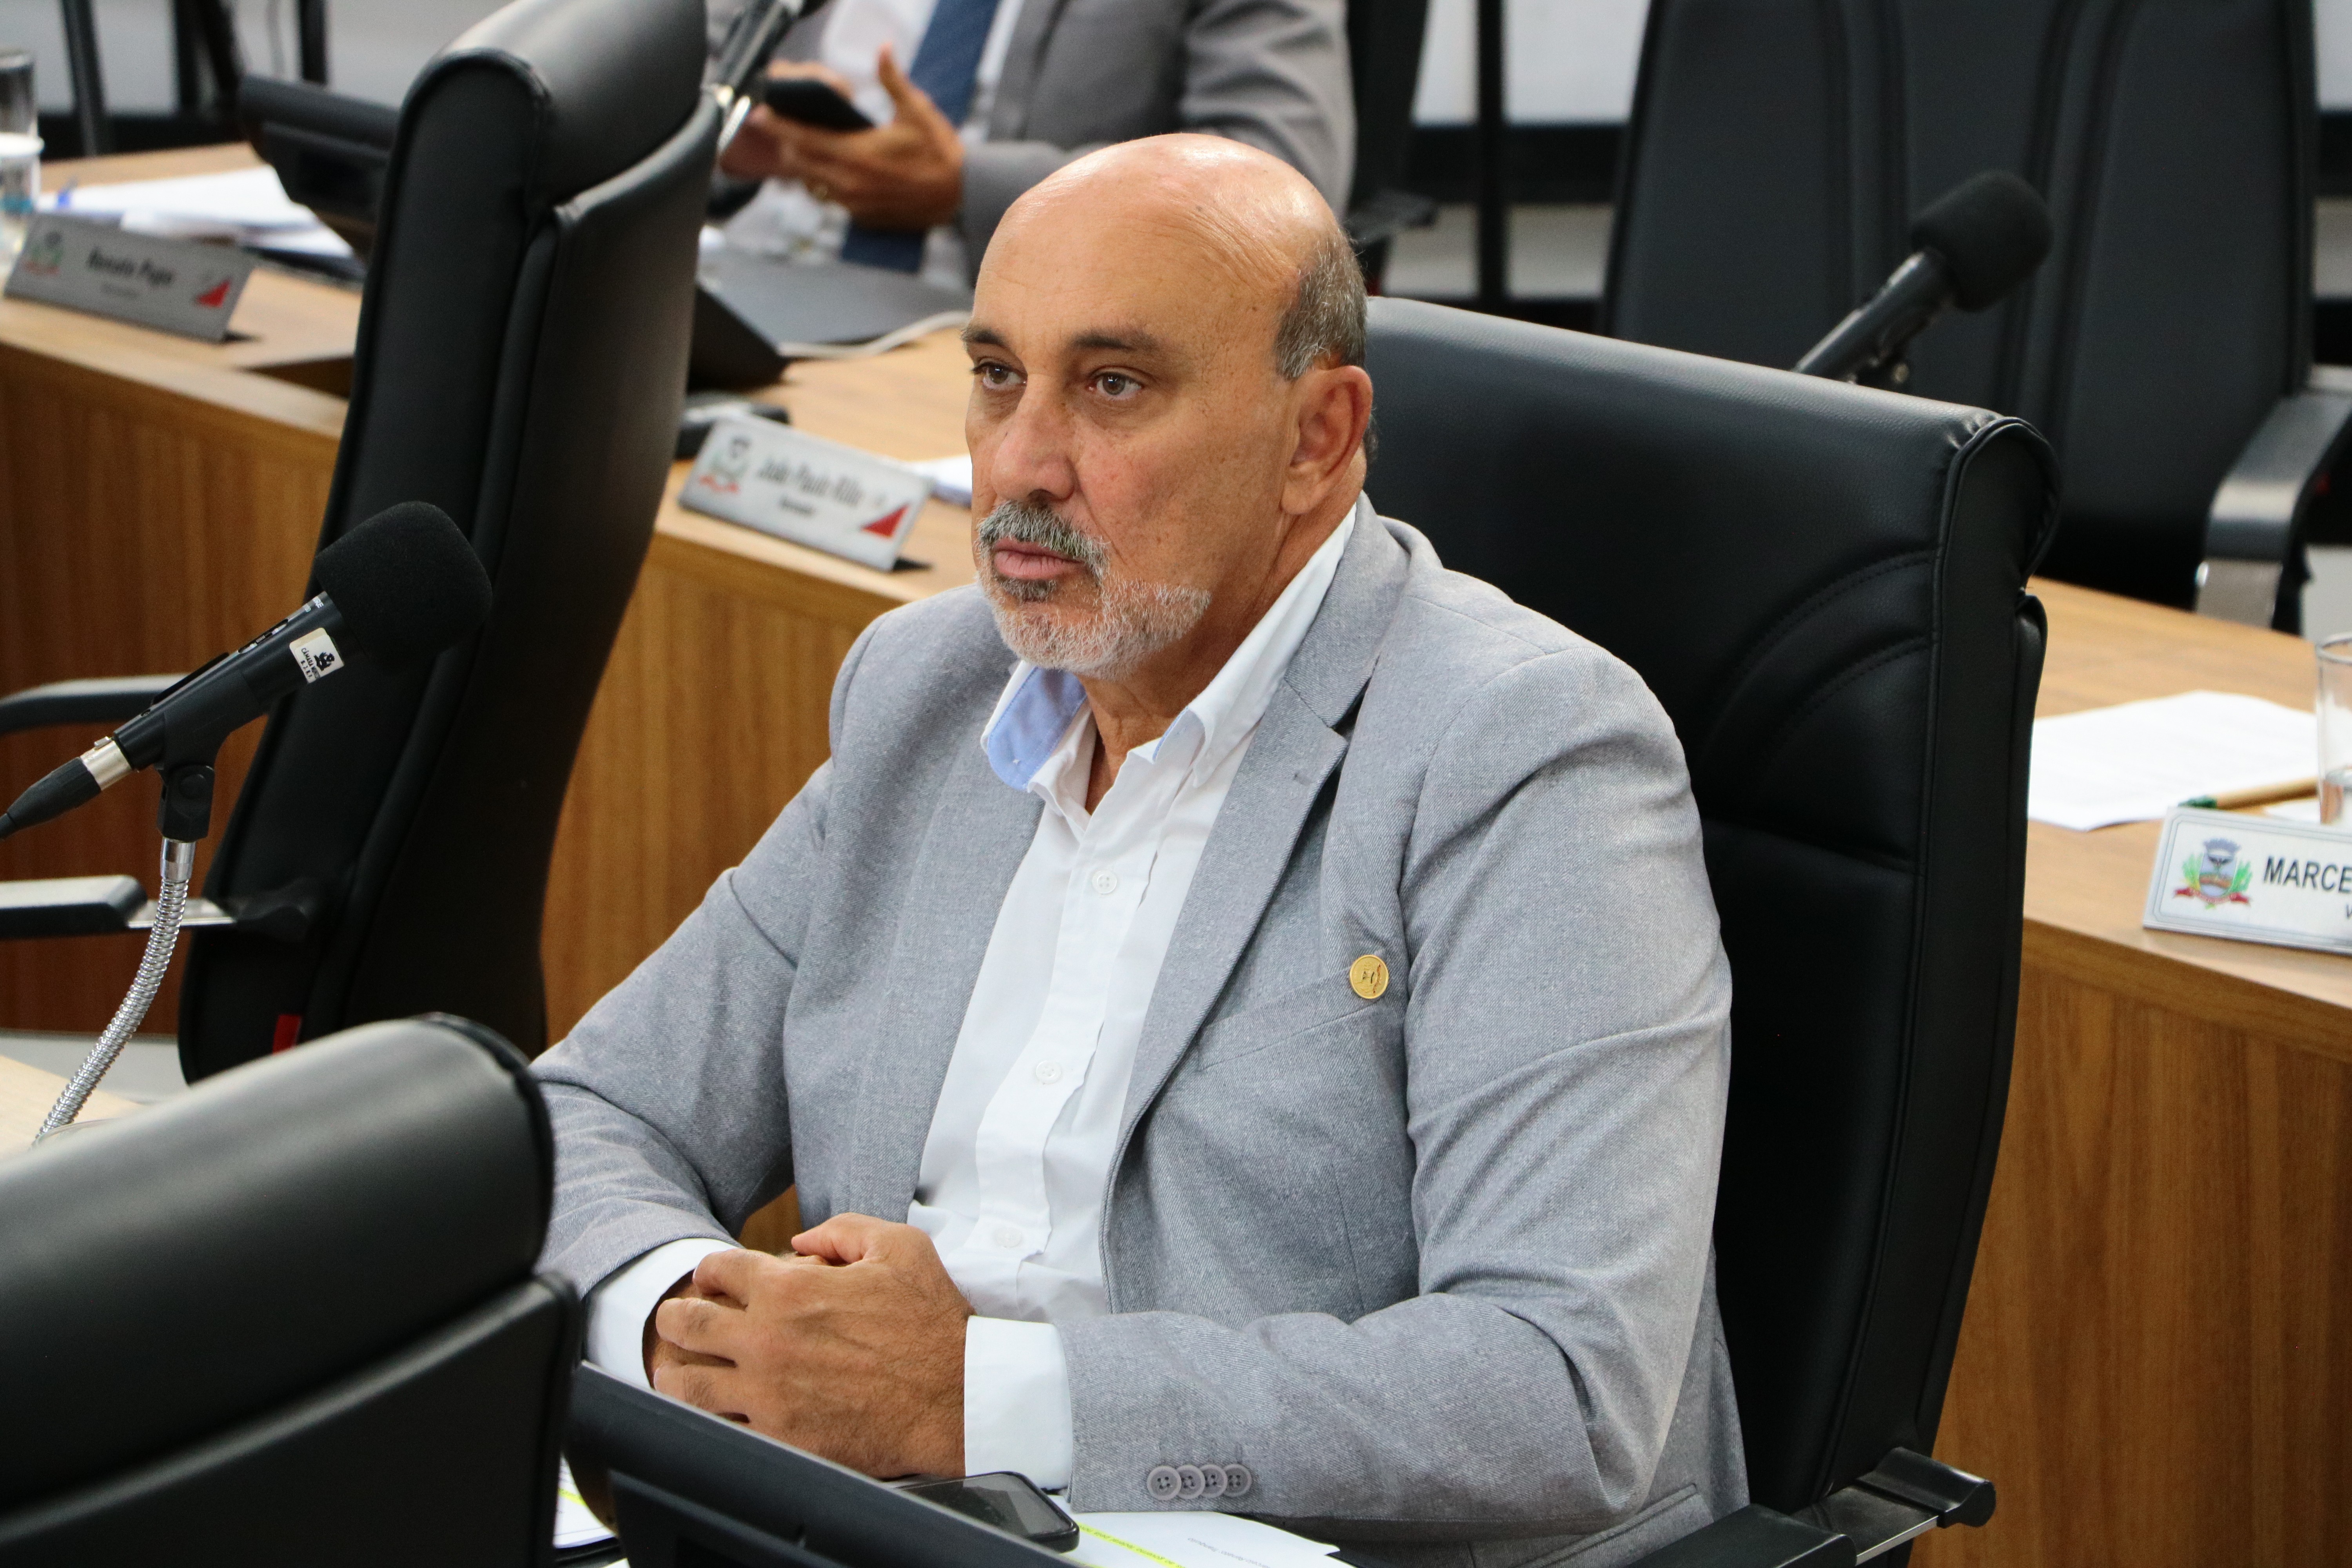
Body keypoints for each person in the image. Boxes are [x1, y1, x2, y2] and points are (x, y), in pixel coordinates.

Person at [534, 136, 1745, 1567]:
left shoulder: (1520, 750)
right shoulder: (928, 690)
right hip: (880, 1521)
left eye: (1113, 385)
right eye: (998, 375)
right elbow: (586, 1115)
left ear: (1317, 438)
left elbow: (1561, 1384)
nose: (1021, 464)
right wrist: (698, 1327)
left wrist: (970, 1396)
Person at [706, 0, 1352, 286]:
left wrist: (967, 187)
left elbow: (1281, 187)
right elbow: (674, 61)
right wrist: (723, 127)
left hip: (1009, 326)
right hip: (740, 269)